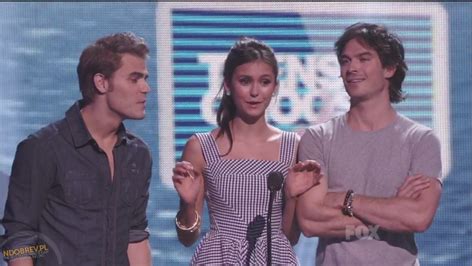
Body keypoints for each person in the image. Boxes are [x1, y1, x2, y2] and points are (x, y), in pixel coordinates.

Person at [296, 22, 443, 266]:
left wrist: (346, 199)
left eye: (363, 59)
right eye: (345, 61)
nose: (351, 68)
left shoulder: (421, 140)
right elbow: (311, 223)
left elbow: (418, 218)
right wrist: (393, 209)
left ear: (389, 68)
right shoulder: (317, 138)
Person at [1, 32, 152, 266]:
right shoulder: (42, 149)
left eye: (145, 78)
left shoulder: (138, 155)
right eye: (134, 79)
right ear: (101, 82)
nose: (146, 88)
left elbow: (135, 234)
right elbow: (17, 238)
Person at [172, 37, 322, 265]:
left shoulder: (293, 146)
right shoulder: (201, 146)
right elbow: (186, 238)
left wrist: (291, 196)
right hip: (218, 258)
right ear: (228, 86)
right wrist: (188, 204)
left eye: (264, 82)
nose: (255, 92)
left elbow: (289, 237)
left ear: (275, 88)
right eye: (245, 81)